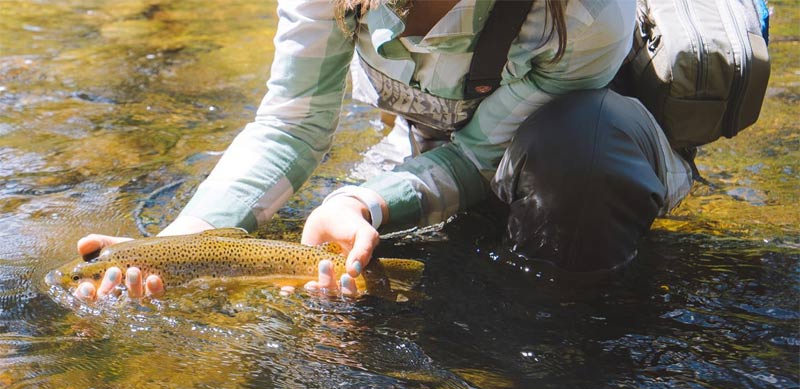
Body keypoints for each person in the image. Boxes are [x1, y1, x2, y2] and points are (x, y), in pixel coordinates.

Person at [73, 0, 692, 301]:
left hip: (590, 154)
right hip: (434, 143)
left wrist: (370, 201)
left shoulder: (583, 15)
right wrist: (182, 245)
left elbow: (482, 155)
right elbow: (291, 122)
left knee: (578, 153)